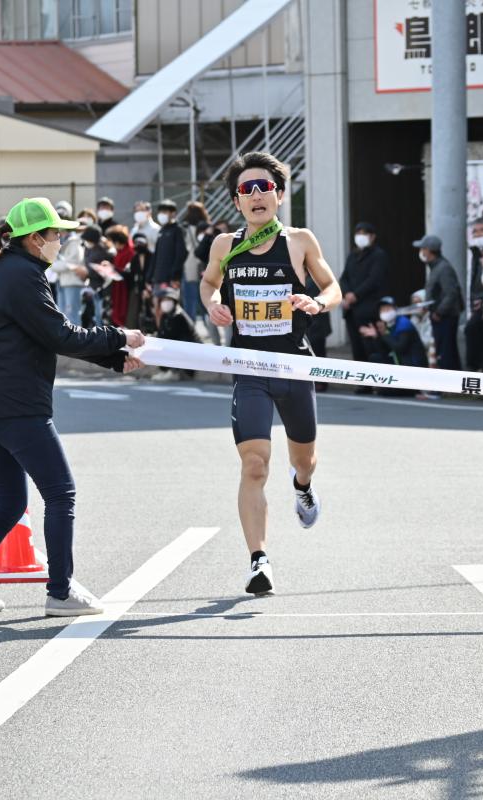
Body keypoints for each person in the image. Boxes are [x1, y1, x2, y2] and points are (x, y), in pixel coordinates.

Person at [0, 197, 144, 617]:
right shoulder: (23, 276)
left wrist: (114, 357)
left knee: (10, 504)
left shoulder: (7, 271)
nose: (60, 241)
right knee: (60, 493)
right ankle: (60, 591)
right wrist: (118, 338)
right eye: (55, 235)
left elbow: (46, 336)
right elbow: (60, 335)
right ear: (35, 239)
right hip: (16, 405)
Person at [200, 152, 341, 595]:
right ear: (237, 202)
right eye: (247, 189)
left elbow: (332, 286)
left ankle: (302, 486)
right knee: (255, 464)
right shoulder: (225, 245)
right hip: (249, 369)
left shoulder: (299, 241)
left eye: (265, 187)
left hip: (295, 365)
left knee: (304, 460)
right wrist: (213, 304)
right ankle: (258, 560)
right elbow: (208, 282)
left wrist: (317, 303)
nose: (257, 195)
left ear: (279, 195)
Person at [340, 222, 389, 369]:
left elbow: (374, 280)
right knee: (356, 346)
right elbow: (344, 278)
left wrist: (355, 295)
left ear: (372, 237)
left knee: (370, 345)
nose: (360, 237)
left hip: (369, 308)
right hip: (351, 309)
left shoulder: (379, 255)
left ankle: (374, 379)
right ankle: (361, 382)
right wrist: (347, 293)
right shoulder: (353, 255)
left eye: (364, 234)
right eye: (358, 234)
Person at [416, 234, 463, 371]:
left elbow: (451, 293)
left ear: (429, 250)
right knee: (443, 351)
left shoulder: (443, 268)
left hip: (445, 316)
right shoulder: (435, 267)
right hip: (439, 315)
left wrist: (439, 311)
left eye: (423, 249)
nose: (421, 252)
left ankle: (449, 386)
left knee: (446, 352)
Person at [359, 296, 428, 372]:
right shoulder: (388, 325)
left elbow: (400, 348)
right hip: (400, 360)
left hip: (413, 364)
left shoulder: (404, 323)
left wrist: (384, 334)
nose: (385, 312)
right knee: (375, 357)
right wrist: (376, 337)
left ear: (395, 309)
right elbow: (385, 351)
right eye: (382, 310)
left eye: (388, 308)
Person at [152, 286, 201, 381]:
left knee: (168, 346)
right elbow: (161, 333)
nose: (165, 303)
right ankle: (165, 370)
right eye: (163, 300)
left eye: (168, 300)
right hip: (179, 345)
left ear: (174, 301)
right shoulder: (165, 315)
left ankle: (174, 371)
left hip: (190, 347)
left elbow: (174, 336)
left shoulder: (178, 315)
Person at [465, 217, 483, 371]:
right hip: (477, 301)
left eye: (481, 230)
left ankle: (476, 367)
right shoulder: (476, 252)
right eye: (474, 231)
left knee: (474, 330)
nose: (477, 234)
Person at [151, 198, 187, 308]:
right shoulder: (161, 231)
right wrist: (150, 277)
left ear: (173, 213)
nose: (162, 215)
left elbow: (181, 254)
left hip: (171, 278)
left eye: (165, 212)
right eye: (160, 212)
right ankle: (160, 326)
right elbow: (156, 256)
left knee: (169, 307)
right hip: (158, 277)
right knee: (156, 306)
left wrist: (175, 276)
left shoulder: (177, 230)